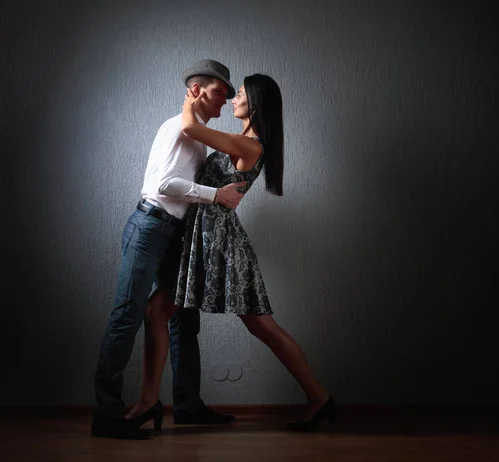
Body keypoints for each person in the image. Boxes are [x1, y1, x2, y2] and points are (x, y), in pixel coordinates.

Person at [129, 73, 336, 433]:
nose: (232, 99)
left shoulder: (251, 145)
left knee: (261, 326)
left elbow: (192, 128)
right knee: (158, 311)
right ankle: (149, 402)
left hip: (219, 242)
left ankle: (320, 399)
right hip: (206, 237)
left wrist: (191, 97)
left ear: (255, 104)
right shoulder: (240, 140)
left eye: (238, 94)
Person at [92, 59, 244, 439]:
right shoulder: (179, 127)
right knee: (127, 314)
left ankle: (187, 405)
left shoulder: (196, 133)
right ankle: (108, 416)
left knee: (182, 316)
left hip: (173, 232)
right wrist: (216, 196)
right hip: (149, 227)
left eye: (228, 96)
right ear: (196, 91)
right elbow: (164, 185)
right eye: (218, 93)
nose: (224, 102)